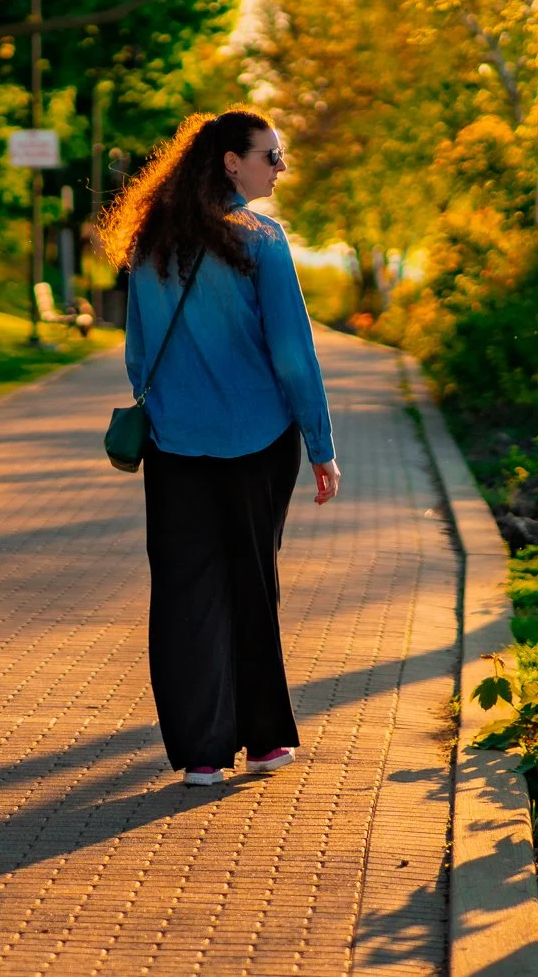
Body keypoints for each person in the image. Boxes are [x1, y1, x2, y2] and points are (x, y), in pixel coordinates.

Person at [92, 108, 338, 788]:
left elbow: (139, 354)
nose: (280, 166)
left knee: (184, 592)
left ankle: (200, 753)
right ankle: (261, 742)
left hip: (174, 444)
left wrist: (172, 406)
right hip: (259, 441)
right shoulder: (263, 238)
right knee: (250, 583)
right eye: (271, 154)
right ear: (232, 161)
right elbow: (293, 354)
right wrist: (321, 442)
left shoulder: (151, 238)